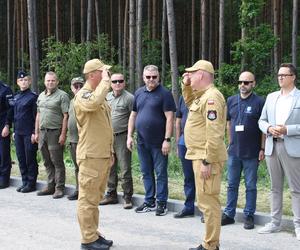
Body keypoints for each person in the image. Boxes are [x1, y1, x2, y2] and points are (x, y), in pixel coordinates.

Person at [182, 60, 227, 250]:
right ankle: (210, 243)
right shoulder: (202, 97)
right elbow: (190, 102)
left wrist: (208, 160)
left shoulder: (212, 98)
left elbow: (215, 133)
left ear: (200, 74)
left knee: (209, 203)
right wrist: (186, 86)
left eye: (191, 74)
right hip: (198, 156)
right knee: (205, 202)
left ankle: (211, 245)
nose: (188, 76)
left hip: (206, 157)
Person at [74, 58, 114, 250]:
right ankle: (87, 240)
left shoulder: (100, 96)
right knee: (87, 200)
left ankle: (94, 233)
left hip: (102, 155)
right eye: (103, 72)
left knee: (95, 199)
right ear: (92, 75)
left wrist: (110, 151)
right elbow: (92, 104)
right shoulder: (84, 95)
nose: (107, 76)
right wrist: (106, 82)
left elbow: (105, 127)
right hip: (90, 156)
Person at [258, 63, 300, 241]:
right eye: (279, 75)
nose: (280, 77)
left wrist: (287, 130)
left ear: (293, 77)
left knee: (296, 189)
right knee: (275, 188)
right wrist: (268, 128)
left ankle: (298, 225)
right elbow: (261, 120)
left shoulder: (299, 97)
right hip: (272, 146)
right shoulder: (271, 97)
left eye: (284, 75)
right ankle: (275, 222)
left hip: (291, 146)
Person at [127, 65, 176, 216]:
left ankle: (161, 203)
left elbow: (170, 118)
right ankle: (149, 201)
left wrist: (167, 139)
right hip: (142, 141)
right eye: (148, 77)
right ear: (143, 77)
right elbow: (133, 115)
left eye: (154, 77)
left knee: (160, 173)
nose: (151, 80)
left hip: (159, 143)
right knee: (146, 172)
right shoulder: (139, 93)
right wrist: (129, 136)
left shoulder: (165, 94)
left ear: (158, 76)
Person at [221, 71, 265, 230]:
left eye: (247, 82)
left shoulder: (260, 102)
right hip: (234, 151)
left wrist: (262, 148)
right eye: (240, 82)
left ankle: (249, 215)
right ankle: (229, 214)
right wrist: (229, 142)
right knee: (231, 184)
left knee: (250, 185)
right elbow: (228, 123)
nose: (243, 85)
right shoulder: (231, 100)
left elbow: (263, 128)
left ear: (253, 84)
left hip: (252, 152)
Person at [100, 73, 134, 209]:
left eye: (120, 81)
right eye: (114, 81)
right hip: (108, 137)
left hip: (122, 136)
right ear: (111, 83)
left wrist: (131, 136)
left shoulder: (130, 98)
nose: (117, 83)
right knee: (110, 166)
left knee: (125, 167)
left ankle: (127, 196)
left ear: (124, 82)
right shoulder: (107, 97)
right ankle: (111, 194)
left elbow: (134, 117)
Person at [35, 71, 70, 199]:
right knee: (46, 161)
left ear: (57, 82)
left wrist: (63, 134)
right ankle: (50, 186)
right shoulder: (40, 96)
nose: (50, 82)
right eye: (48, 80)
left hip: (55, 132)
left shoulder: (62, 96)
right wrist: (36, 132)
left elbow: (66, 116)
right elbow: (38, 115)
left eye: (53, 80)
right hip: (42, 132)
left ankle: (59, 188)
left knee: (57, 161)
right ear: (44, 82)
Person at [13, 71, 38, 193]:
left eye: (26, 80)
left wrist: (34, 132)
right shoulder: (16, 97)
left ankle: (31, 183)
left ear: (29, 82)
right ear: (18, 82)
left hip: (29, 133)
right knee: (21, 158)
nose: (23, 82)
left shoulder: (33, 97)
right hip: (18, 133)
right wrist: (14, 130)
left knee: (30, 159)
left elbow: (36, 117)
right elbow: (15, 115)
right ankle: (24, 182)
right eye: (21, 80)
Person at [173, 95, 197, 219]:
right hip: (184, 143)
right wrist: (178, 143)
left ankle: (205, 210)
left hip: (199, 144)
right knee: (188, 178)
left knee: (202, 179)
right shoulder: (183, 97)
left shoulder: (205, 96)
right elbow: (178, 120)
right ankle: (189, 207)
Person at [67, 76, 84, 201]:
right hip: (73, 139)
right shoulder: (72, 101)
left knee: (87, 168)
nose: (78, 88)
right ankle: (78, 190)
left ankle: (87, 192)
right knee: (77, 167)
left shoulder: (88, 100)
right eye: (75, 86)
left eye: (80, 86)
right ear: (72, 88)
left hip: (85, 140)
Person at [0, 78, 13, 189]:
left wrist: (7, 125)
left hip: (2, 126)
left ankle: (4, 179)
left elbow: (10, 109)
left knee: (3, 153)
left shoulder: (5, 89)